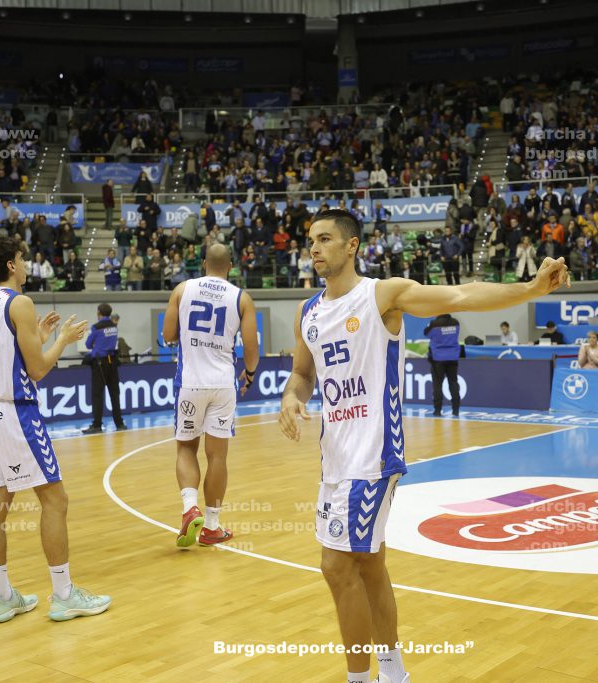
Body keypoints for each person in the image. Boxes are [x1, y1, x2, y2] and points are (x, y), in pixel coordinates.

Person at [279, 209, 569, 683]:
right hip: (335, 458)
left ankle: (359, 679)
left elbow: (462, 294)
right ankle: (394, 673)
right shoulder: (306, 312)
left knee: (336, 566)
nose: (314, 247)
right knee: (369, 564)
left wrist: (530, 289)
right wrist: (291, 397)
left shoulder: (382, 295)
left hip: (374, 454)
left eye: (325, 238)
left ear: (351, 246)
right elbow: (302, 373)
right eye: (311, 239)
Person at [0, 236, 111, 623]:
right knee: (55, 500)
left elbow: (6, 354)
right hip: (15, 412)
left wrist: (39, 338)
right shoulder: (20, 302)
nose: (26, 264)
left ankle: (3, 598)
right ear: (11, 266)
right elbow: (37, 370)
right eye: (22, 258)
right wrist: (62, 340)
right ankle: (64, 595)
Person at [162, 244, 259, 548]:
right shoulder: (241, 297)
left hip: (190, 382)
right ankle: (212, 527)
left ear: (203, 263)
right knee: (217, 455)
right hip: (222, 383)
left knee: (186, 448)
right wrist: (250, 374)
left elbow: (168, 335)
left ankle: (190, 508)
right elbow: (252, 348)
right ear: (231, 265)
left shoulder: (182, 290)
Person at [82, 304, 125, 434]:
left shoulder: (96, 327)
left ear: (99, 312)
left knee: (97, 395)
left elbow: (88, 344)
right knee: (114, 394)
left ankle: (97, 425)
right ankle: (119, 423)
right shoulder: (114, 326)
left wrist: (97, 343)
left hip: (99, 363)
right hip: (112, 362)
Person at [424, 314, 461, 416]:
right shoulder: (455, 322)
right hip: (452, 357)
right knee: (453, 383)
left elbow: (426, 333)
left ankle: (437, 410)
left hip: (438, 358)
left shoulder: (434, 323)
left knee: (437, 385)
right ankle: (456, 410)